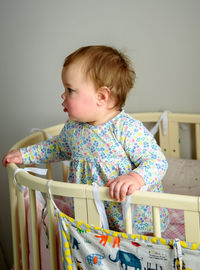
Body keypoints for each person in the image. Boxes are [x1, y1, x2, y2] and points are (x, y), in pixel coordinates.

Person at [2, 45, 169, 233]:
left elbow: (157, 161)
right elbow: (56, 148)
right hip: (89, 217)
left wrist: (135, 178)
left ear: (101, 96)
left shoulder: (126, 129)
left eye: (70, 89)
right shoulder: (73, 128)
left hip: (133, 220)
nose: (63, 95)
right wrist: (25, 155)